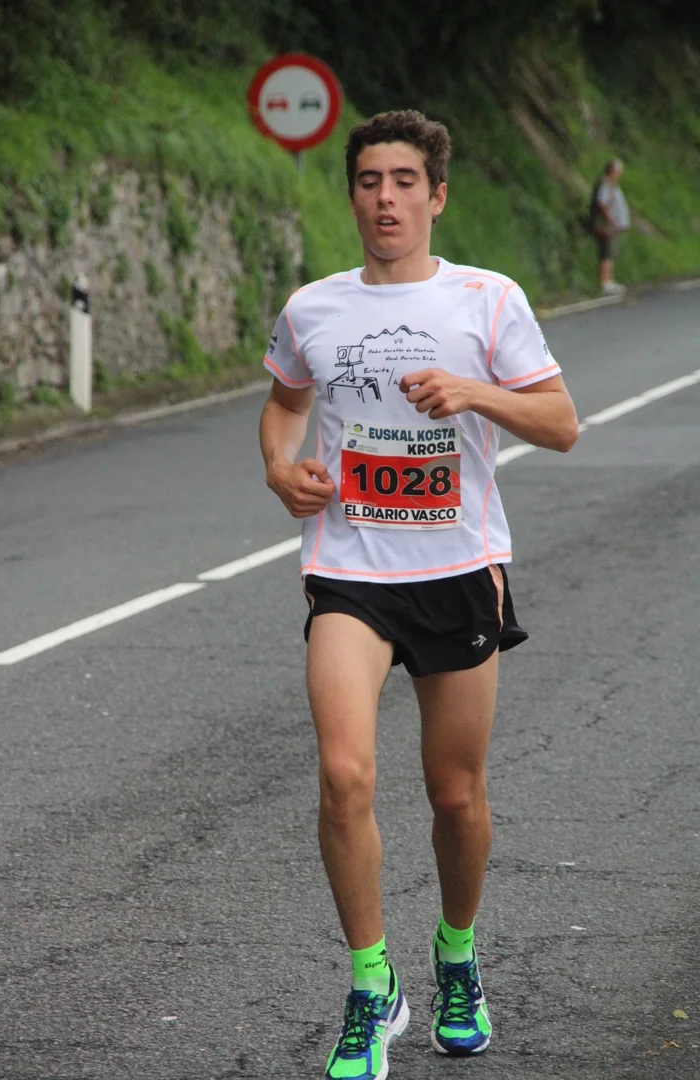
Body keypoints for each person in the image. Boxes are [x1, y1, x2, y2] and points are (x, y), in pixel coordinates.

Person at [259, 109, 579, 1080]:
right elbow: (284, 405)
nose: (386, 199)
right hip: (350, 574)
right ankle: (371, 987)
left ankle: (457, 956)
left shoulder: (488, 300)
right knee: (344, 774)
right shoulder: (313, 309)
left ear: (437, 196)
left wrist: (475, 393)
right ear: (352, 196)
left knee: (455, 793)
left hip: (457, 573)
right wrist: (281, 469)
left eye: (404, 182)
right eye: (369, 182)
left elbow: (561, 423)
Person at [589, 158, 630, 295]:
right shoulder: (605, 184)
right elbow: (602, 202)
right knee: (606, 251)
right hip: (606, 225)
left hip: (610, 225)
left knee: (610, 251)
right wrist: (611, 220)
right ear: (612, 171)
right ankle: (605, 282)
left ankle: (608, 280)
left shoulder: (610, 184)